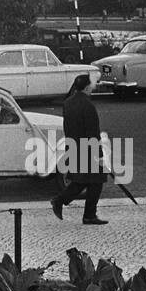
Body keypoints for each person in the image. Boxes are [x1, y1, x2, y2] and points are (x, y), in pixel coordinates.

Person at [51, 73, 109, 225]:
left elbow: (67, 126)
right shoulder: (88, 105)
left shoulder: (68, 103)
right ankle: (89, 214)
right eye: (91, 84)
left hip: (74, 145)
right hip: (88, 149)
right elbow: (93, 132)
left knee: (82, 180)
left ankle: (60, 200)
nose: (93, 86)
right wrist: (99, 154)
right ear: (87, 87)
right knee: (96, 181)